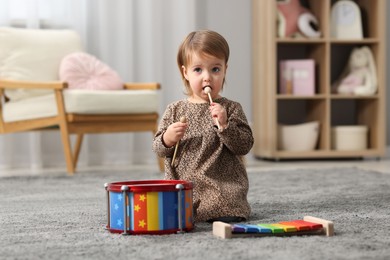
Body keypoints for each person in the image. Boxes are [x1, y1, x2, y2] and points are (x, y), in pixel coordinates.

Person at [152, 30, 254, 223]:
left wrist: (225, 125)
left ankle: (216, 212)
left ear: (225, 70)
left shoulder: (231, 108)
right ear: (185, 73)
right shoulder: (174, 109)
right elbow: (158, 148)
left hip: (220, 183)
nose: (207, 78)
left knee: (226, 202)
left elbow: (245, 145)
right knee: (171, 206)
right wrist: (168, 138)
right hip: (184, 185)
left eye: (215, 69)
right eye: (198, 70)